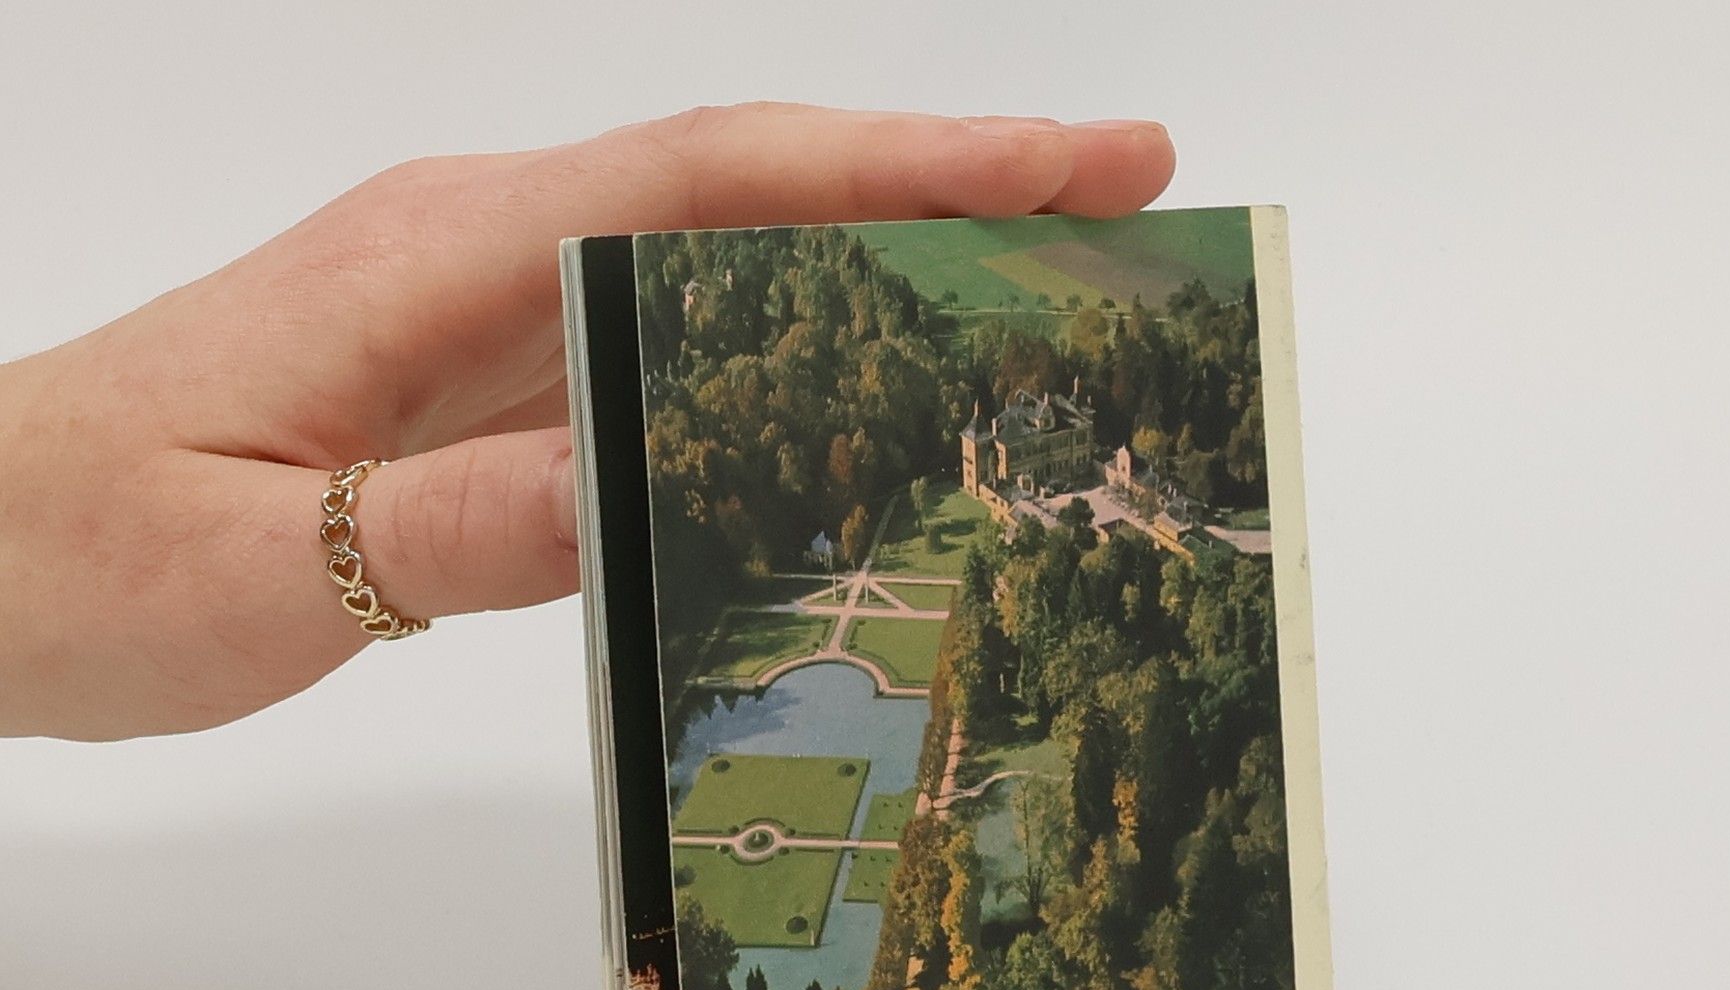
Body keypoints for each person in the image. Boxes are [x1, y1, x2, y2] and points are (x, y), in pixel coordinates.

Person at [0, 104, 1173, 743]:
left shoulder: (1032, 450)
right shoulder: (1010, 450)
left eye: (1040, 452)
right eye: (1022, 453)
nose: (1036, 464)